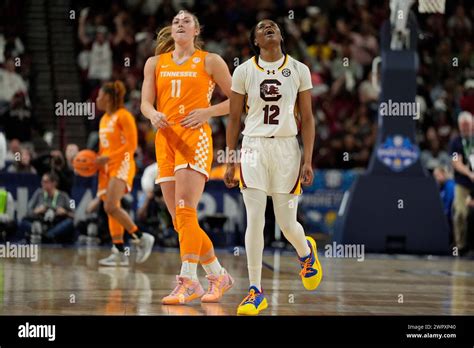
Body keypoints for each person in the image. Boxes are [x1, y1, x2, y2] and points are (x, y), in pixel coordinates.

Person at [225, 19, 323, 315]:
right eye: (261, 27)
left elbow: (307, 118)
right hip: (253, 146)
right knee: (255, 218)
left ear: (280, 35)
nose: (268, 27)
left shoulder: (299, 70)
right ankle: (255, 290)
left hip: (286, 148)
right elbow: (232, 119)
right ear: (255, 40)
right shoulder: (243, 71)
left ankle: (305, 252)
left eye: (273, 25)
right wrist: (231, 159)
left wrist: (307, 159)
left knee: (286, 224)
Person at [141, 10, 234, 304]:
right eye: (176, 21)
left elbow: (238, 101)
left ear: (196, 30)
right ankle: (219, 275)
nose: (180, 23)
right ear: (172, 30)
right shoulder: (155, 63)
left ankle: (188, 280)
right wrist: (153, 113)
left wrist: (208, 111)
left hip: (194, 137)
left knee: (185, 211)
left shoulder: (210, 60)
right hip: (165, 139)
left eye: (186, 21)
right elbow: (145, 102)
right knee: (181, 221)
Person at [96, 80, 155, 266]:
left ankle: (141, 237)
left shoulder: (124, 116)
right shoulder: (104, 119)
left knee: (111, 206)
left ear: (108, 97)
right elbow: (103, 148)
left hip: (122, 164)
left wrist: (108, 158)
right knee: (111, 209)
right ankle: (119, 251)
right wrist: (95, 162)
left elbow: (131, 146)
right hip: (106, 168)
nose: (97, 98)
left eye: (100, 95)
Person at [20, 172, 74, 243]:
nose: (42, 183)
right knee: (22, 221)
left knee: (69, 222)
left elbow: (74, 213)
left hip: (55, 224)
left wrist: (65, 212)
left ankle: (46, 235)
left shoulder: (64, 195)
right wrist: (36, 211)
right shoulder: (38, 193)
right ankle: (42, 233)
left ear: (54, 183)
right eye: (42, 181)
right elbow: (28, 210)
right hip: (40, 222)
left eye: (45, 181)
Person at [450, 111, 474, 255]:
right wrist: (469, 173)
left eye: (468, 126)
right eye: (463, 126)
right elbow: (455, 162)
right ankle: (460, 245)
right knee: (460, 212)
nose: (465, 129)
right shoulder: (456, 142)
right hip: (463, 183)